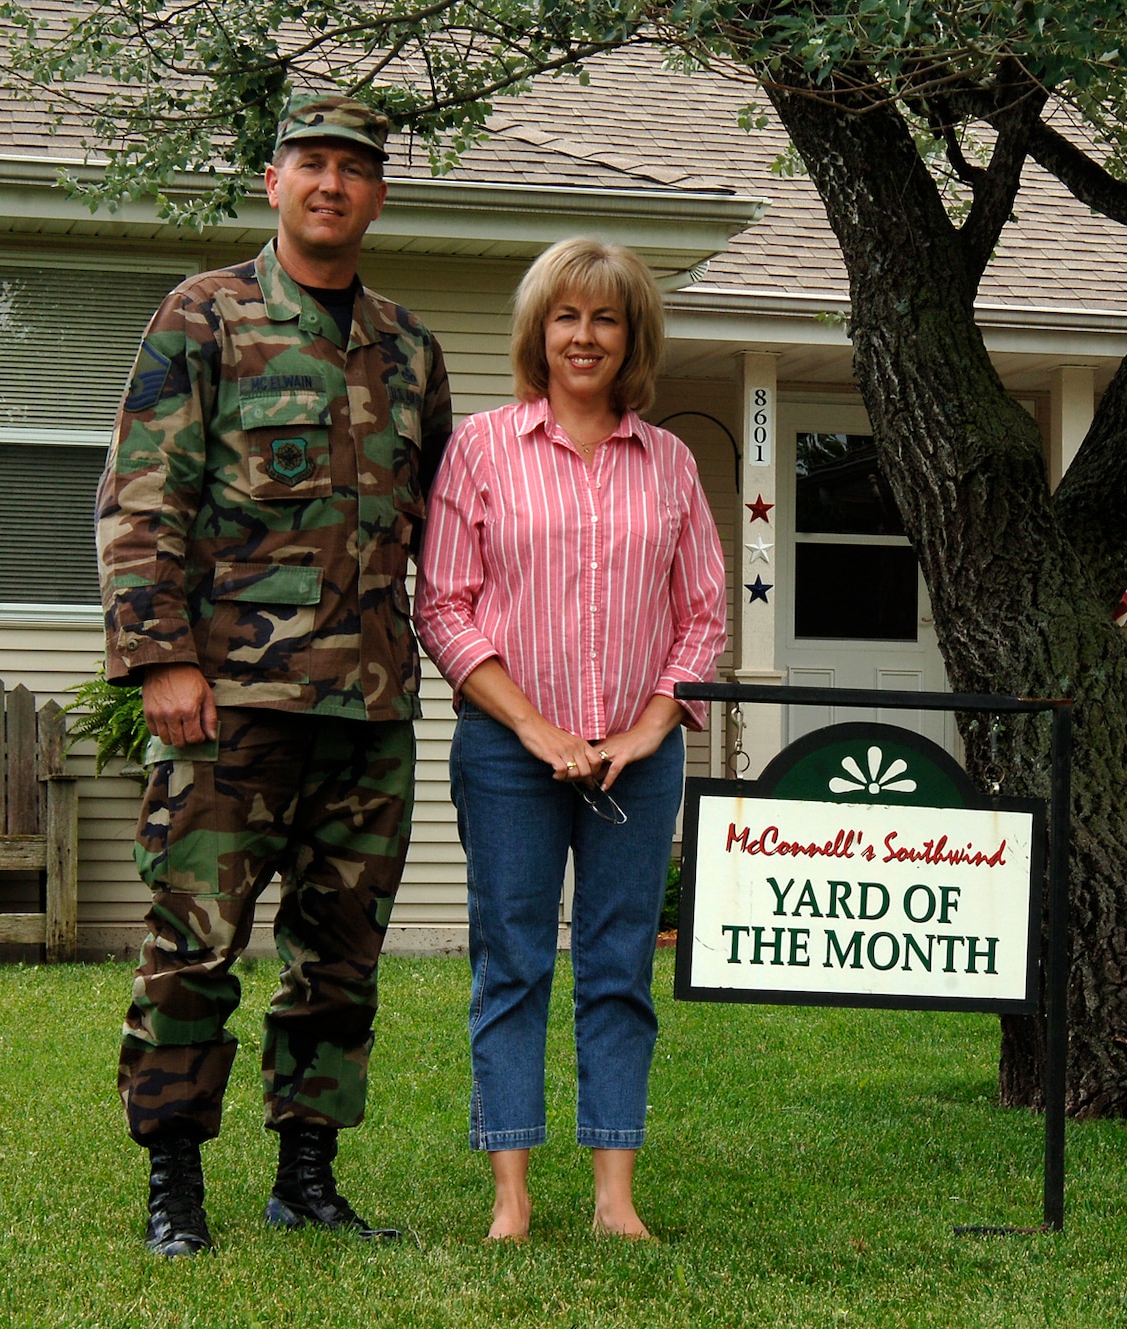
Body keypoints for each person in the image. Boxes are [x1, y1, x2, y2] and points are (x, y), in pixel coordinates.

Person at [96, 93, 452, 1257]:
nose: (332, 184)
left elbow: (438, 527)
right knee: (194, 947)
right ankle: (173, 1187)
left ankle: (306, 1177)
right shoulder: (204, 317)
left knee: (338, 956)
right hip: (229, 702)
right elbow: (144, 501)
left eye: (354, 168)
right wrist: (159, 660)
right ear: (273, 182)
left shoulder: (409, 349)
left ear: (377, 195)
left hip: (369, 707)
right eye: (312, 163)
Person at [416, 237, 727, 1241]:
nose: (582, 335)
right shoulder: (481, 449)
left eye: (603, 317)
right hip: (509, 753)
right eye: (564, 316)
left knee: (616, 966)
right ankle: (510, 1195)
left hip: (637, 758)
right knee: (510, 962)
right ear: (536, 332)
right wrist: (535, 726)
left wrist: (644, 729)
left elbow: (702, 618)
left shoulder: (670, 464)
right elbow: (444, 606)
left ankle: (612, 1197)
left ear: (631, 335)